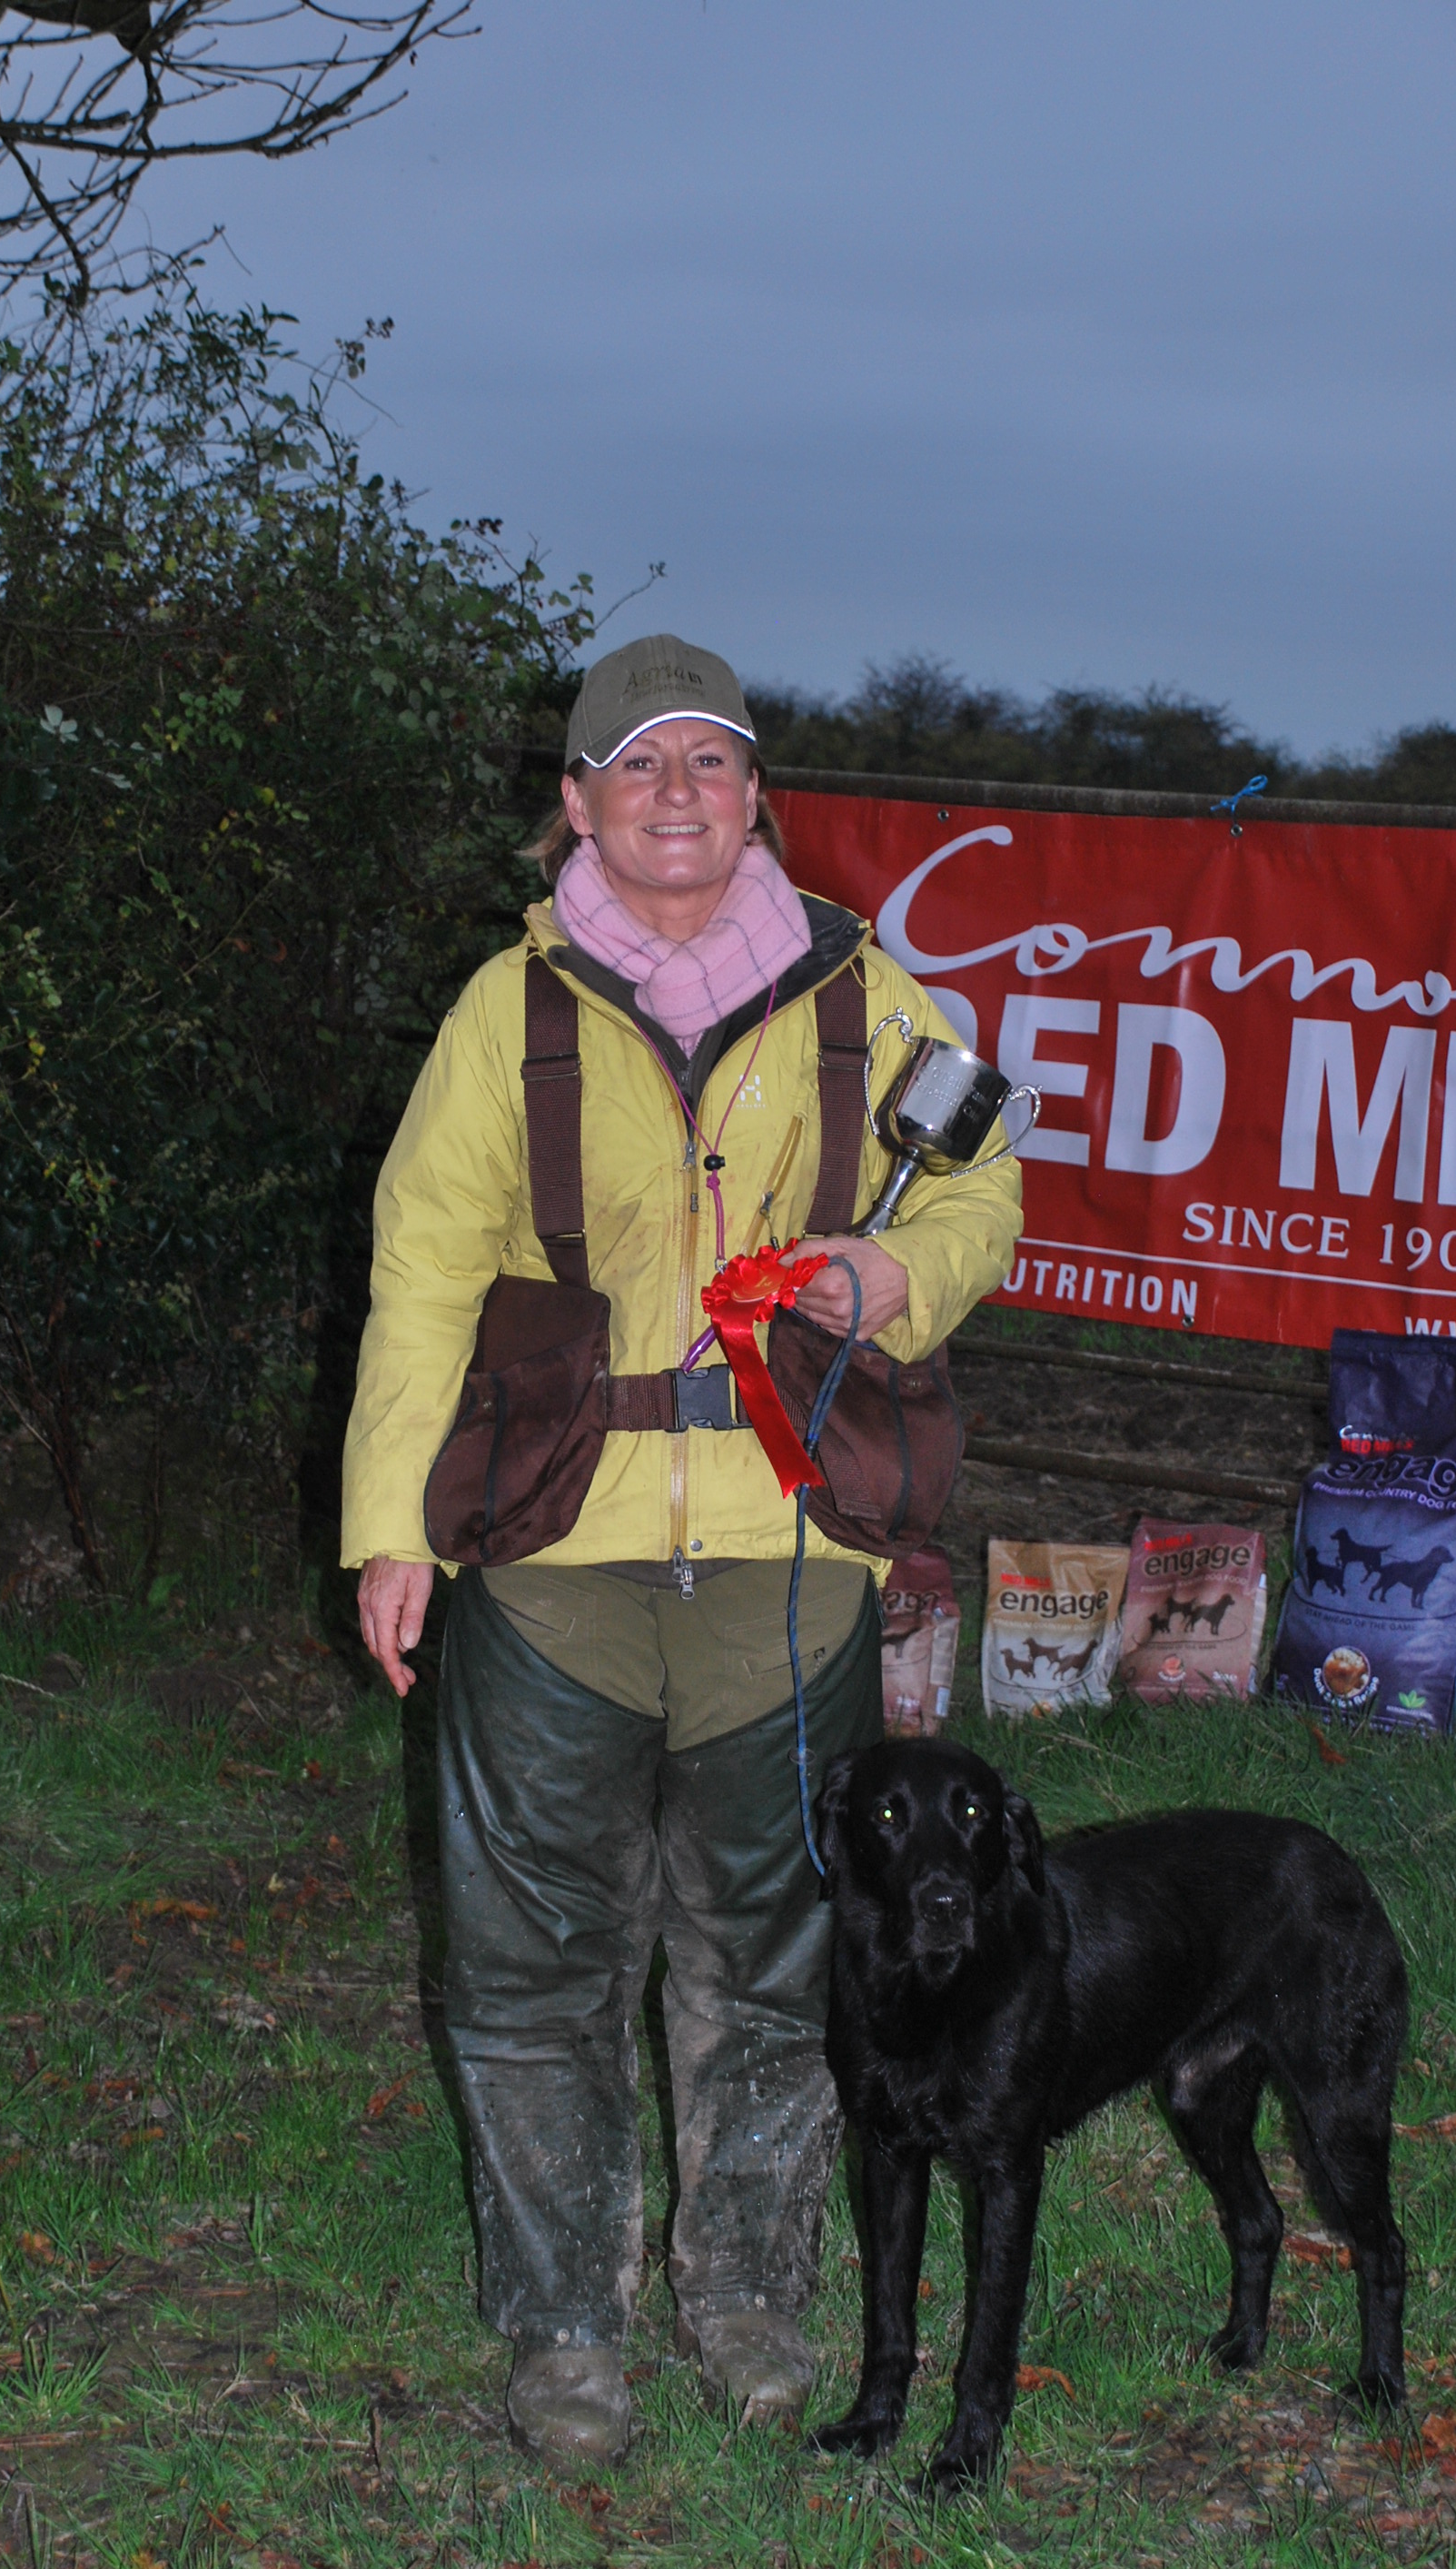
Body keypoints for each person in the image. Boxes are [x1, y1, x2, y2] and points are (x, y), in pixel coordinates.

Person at [343, 633, 1021, 2474]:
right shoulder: (510, 1012)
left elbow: (979, 1184)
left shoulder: (868, 987)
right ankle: (564, 2326)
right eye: (635, 763)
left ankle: (745, 2298)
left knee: (786, 1960)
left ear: (753, 798)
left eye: (709, 762)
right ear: (577, 800)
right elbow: (420, 1266)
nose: (674, 792)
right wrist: (391, 1527)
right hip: (551, 1553)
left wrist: (894, 1273)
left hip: (790, 1555)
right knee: (530, 1963)